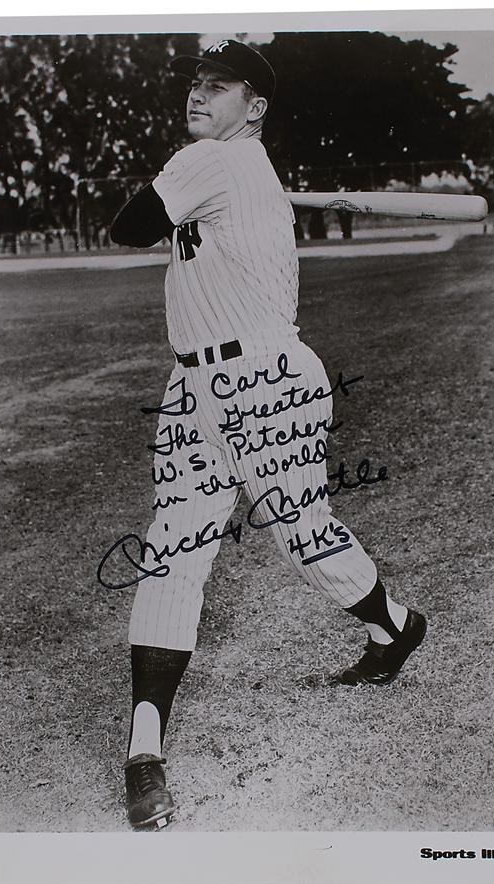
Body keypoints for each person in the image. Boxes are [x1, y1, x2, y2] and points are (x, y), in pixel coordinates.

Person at [108, 39, 426, 830]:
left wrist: (172, 181)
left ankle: (393, 626)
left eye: (219, 87)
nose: (198, 95)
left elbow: (128, 227)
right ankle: (143, 751)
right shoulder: (236, 170)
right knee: (175, 545)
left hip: (264, 377)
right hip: (193, 382)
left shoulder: (211, 162)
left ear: (254, 108)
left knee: (299, 531)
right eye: (195, 83)